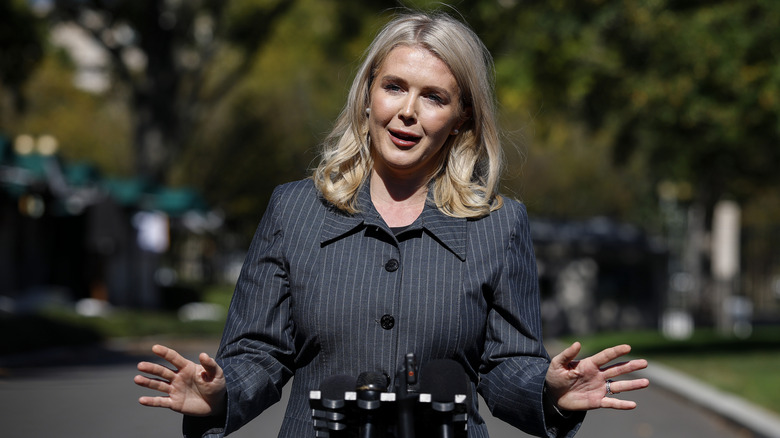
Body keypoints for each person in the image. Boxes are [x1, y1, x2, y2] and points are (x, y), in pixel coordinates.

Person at [134, 11, 649, 438]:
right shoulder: (293, 210)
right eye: (394, 87)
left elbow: (507, 364)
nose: (407, 112)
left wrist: (549, 392)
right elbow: (258, 352)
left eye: (433, 97)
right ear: (367, 95)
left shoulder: (500, 224)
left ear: (462, 117)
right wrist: (221, 393)